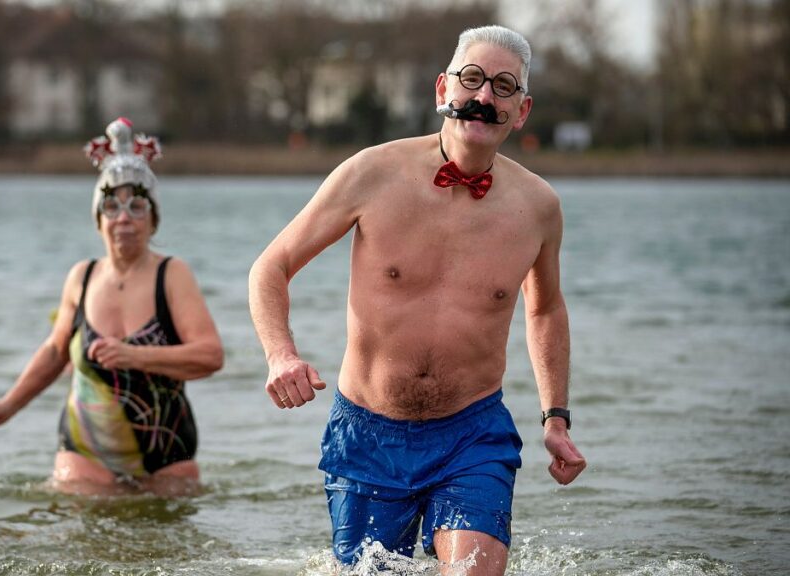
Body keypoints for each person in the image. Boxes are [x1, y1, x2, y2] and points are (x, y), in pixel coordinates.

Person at [248, 25, 585, 574]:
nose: (483, 98)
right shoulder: (371, 173)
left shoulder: (539, 207)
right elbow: (271, 266)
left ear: (521, 112)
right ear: (441, 91)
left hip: (472, 433)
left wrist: (556, 418)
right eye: (471, 80)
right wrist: (280, 353)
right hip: (367, 431)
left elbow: (544, 309)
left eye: (503, 87)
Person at [0, 118, 224, 496]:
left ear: (153, 220)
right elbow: (56, 352)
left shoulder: (172, 274)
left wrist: (134, 356)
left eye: (137, 206)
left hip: (166, 450)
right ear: (98, 219)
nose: (124, 218)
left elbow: (210, 356)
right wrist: (7, 407)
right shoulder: (81, 277)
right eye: (111, 206)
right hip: (85, 448)